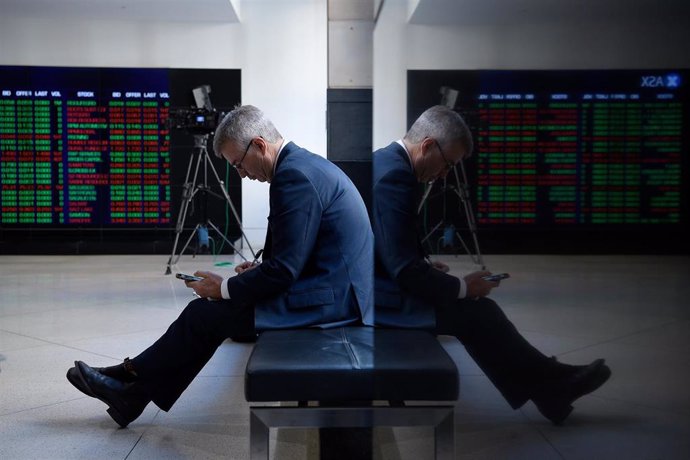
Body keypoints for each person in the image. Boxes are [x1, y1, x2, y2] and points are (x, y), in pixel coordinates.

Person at [67, 105, 374, 427]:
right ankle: (130, 389)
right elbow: (303, 251)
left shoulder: (294, 176)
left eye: (238, 164)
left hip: (334, 303)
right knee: (209, 312)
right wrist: (257, 269)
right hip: (335, 289)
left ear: (258, 145)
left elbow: (285, 271)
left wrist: (225, 287)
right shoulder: (302, 166)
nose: (241, 174)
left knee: (206, 313)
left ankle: (130, 385)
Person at [372, 105, 610, 424]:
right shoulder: (394, 176)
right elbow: (401, 270)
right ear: (428, 146)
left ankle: (551, 388)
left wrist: (426, 266)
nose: (444, 176)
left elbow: (387, 247)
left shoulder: (388, 163)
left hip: (371, 285)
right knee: (476, 311)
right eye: (448, 165)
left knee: (477, 311)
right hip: (372, 301)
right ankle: (552, 388)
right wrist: (461, 285)